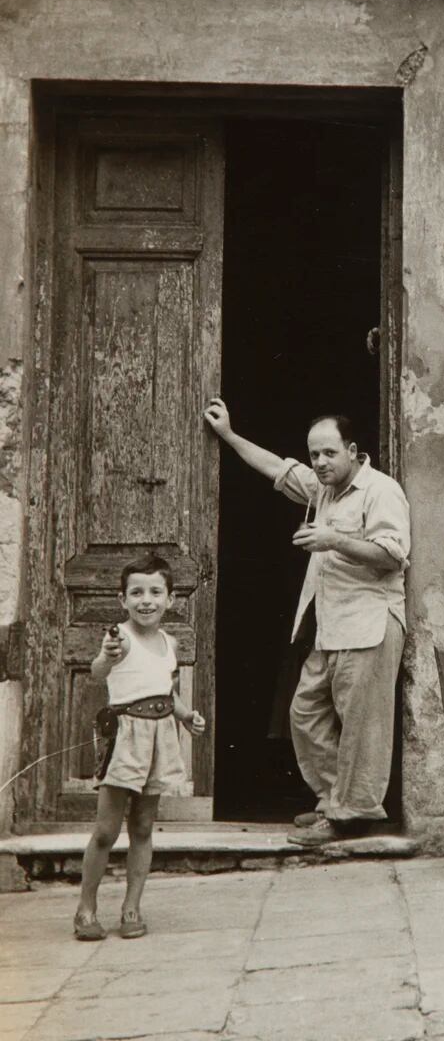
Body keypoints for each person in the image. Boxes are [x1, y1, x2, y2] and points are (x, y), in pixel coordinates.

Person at [204, 399, 410, 846]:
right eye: (314, 454)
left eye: (328, 453)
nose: (319, 462)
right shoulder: (323, 490)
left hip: (371, 622)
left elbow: (392, 556)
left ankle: (350, 814)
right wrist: (229, 435)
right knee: (305, 712)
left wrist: (333, 538)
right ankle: (336, 800)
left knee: (361, 726)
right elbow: (278, 467)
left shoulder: (381, 490)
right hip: (330, 625)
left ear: (353, 451)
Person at [73, 554, 205, 940]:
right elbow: (100, 670)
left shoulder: (168, 641)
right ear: (122, 599)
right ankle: (86, 908)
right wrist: (105, 655)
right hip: (126, 737)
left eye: (155, 592)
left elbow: (166, 690)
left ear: (171, 598)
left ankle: (132, 908)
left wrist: (185, 716)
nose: (146, 600)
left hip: (160, 736)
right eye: (136, 593)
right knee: (106, 829)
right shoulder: (119, 638)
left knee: (144, 825)